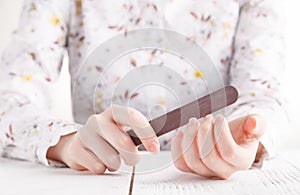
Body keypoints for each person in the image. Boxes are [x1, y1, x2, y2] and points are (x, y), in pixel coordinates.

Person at [0, 0, 287, 179]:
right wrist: (67, 143)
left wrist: (249, 139)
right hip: (99, 184)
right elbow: (8, 101)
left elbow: (263, 98)